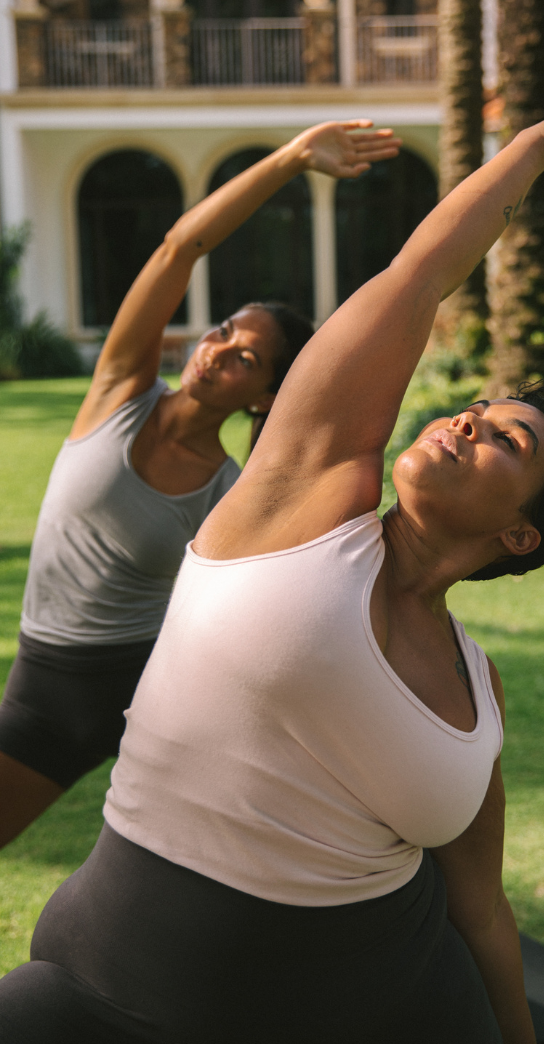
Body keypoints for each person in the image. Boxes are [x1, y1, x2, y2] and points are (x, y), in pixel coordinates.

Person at [0, 61, 544, 1044]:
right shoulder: (297, 508)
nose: (470, 422)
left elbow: (478, 909)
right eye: (476, 408)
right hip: (119, 991)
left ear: (519, 534)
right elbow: (415, 280)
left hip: (398, 997)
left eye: (507, 441)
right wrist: (533, 155)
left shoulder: (480, 688)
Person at [0, 120, 401, 848]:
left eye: (247, 358)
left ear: (261, 398)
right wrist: (290, 159)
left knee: (240, 857)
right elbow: (180, 248)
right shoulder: (119, 394)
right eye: (223, 331)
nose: (218, 352)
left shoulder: (231, 493)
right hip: (48, 684)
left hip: (154, 686)